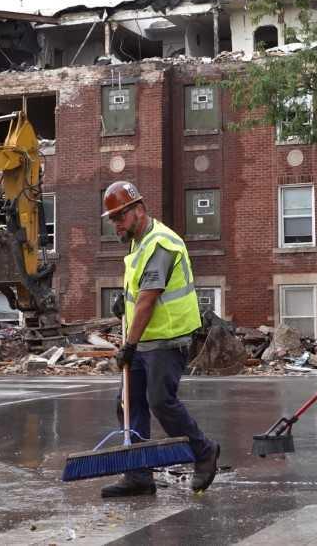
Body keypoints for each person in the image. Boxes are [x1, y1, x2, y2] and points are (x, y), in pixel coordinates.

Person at [100, 181, 219, 498]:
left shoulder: (162, 243)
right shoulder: (137, 241)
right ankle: (139, 475)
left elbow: (148, 299)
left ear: (138, 210)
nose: (116, 224)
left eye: (119, 217)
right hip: (144, 339)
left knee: (160, 401)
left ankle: (204, 452)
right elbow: (137, 292)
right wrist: (121, 301)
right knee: (128, 403)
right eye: (112, 219)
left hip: (167, 339)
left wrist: (128, 346)